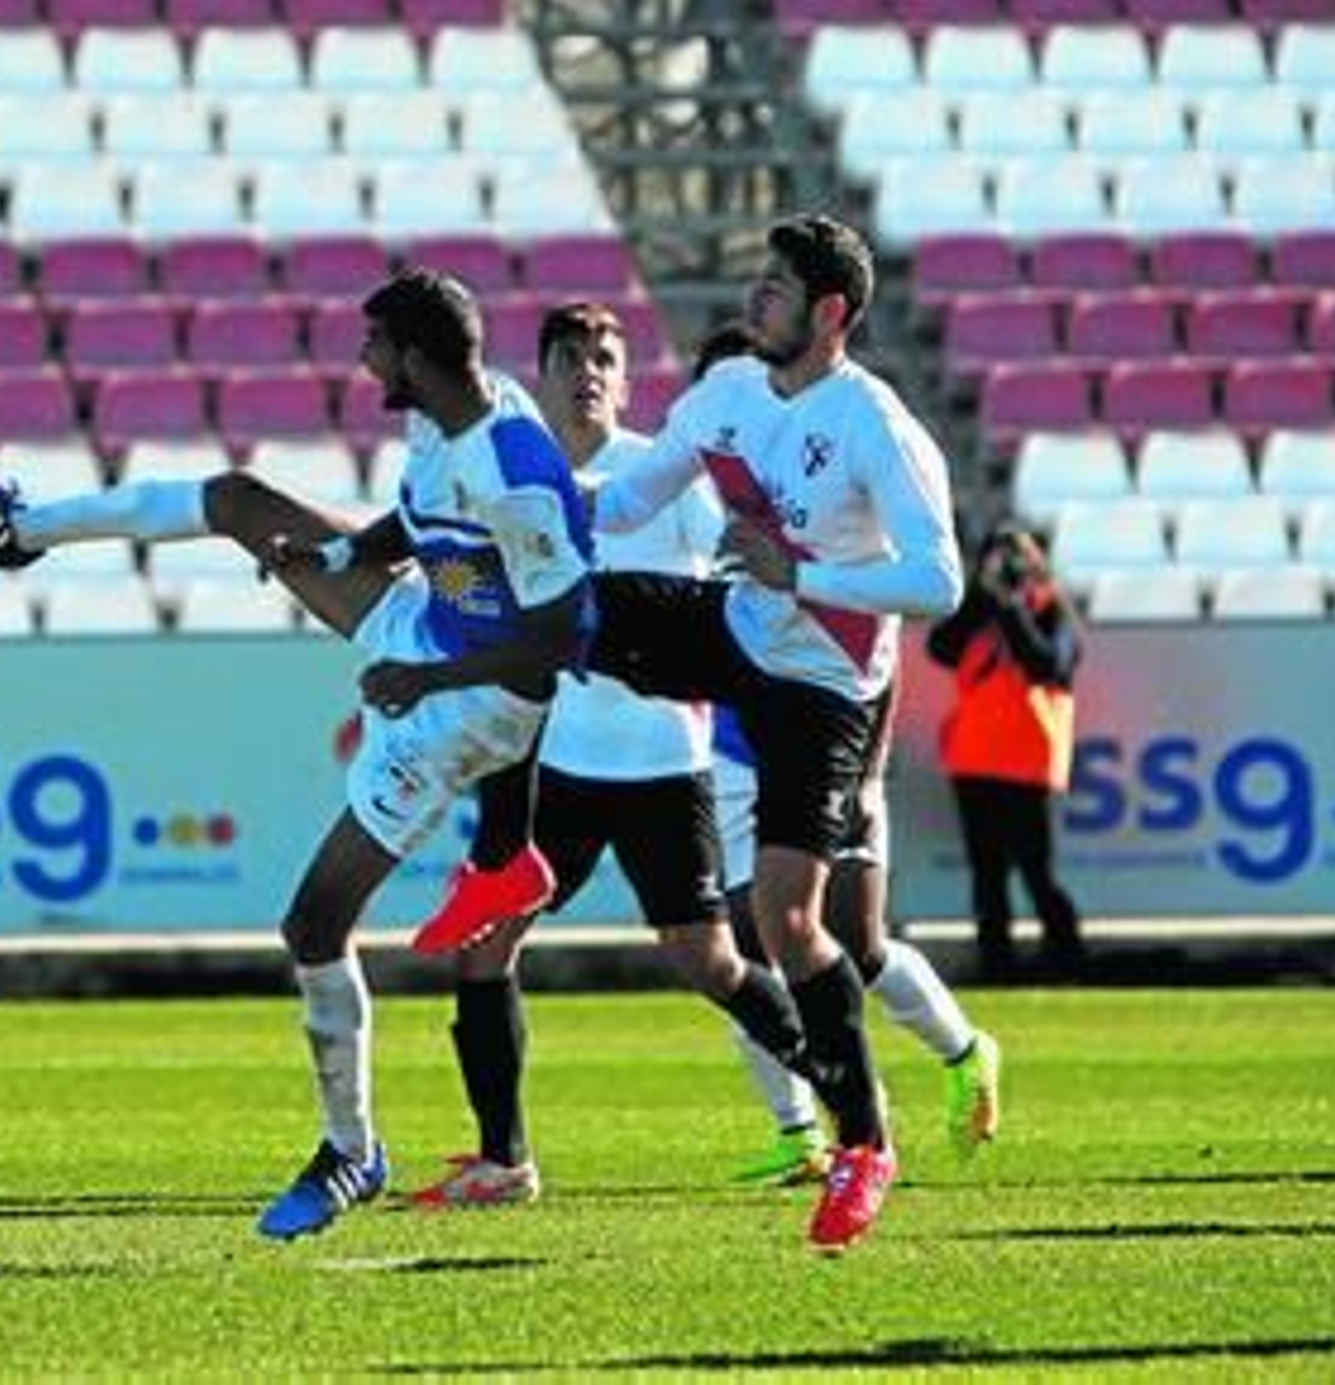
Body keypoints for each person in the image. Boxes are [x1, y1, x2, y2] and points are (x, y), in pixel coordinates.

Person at [0, 267, 596, 1240]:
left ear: (415, 357)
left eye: (375, 346)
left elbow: (559, 642)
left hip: (474, 705)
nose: (362, 362)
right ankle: (19, 528)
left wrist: (422, 682)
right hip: (431, 623)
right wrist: (341, 556)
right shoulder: (444, 419)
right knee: (241, 500)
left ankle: (351, 1150)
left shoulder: (516, 470)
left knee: (313, 922)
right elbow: (424, 525)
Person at [581, 213, 965, 1251]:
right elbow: (624, 505)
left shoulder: (877, 425)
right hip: (737, 629)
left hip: (823, 682)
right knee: (562, 612)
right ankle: (504, 845)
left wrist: (801, 574)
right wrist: (519, 504)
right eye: (760, 278)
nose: (756, 295)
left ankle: (865, 1145)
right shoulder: (728, 393)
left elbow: (939, 583)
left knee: (787, 921)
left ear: (830, 312)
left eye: (778, 285)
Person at [409, 300, 826, 1211]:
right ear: (542, 375)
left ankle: (855, 1110)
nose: (587, 372)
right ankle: (504, 1160)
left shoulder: (664, 476)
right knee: (483, 945)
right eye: (569, 357)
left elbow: (743, 581)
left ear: (628, 381)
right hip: (551, 766)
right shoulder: (507, 476)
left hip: (662, 766)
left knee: (711, 962)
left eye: (604, 357)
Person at [689, 324, 999, 1181]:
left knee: (855, 945)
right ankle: (799, 1133)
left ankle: (964, 1050)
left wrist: (864, 776)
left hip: (831, 752)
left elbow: (875, 652)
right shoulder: (695, 504)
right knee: (745, 951)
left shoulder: (820, 514)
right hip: (733, 757)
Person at [926, 521, 1086, 980]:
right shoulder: (977, 613)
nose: (1009, 564)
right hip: (974, 759)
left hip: (1026, 761)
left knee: (1036, 869)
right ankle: (996, 964)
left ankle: (1067, 957)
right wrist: (981, 598)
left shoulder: (1053, 611)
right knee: (987, 872)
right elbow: (941, 648)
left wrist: (1011, 607)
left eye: (1018, 554)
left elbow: (1045, 664)